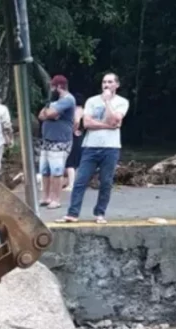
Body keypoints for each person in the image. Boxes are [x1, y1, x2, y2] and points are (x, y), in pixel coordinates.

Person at [58, 73, 130, 223]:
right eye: (104, 82)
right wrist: (108, 125)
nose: (106, 85)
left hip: (111, 147)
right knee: (80, 180)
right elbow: (88, 123)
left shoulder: (122, 102)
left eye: (110, 82)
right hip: (90, 146)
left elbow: (116, 119)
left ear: (117, 85)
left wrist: (108, 102)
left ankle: (100, 213)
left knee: (106, 182)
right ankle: (73, 213)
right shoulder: (91, 101)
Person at [36, 75, 75, 209]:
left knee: (56, 170)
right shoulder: (53, 101)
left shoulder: (68, 100)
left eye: (52, 86)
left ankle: (56, 199)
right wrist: (50, 113)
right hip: (47, 140)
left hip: (60, 141)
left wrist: (50, 114)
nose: (50, 89)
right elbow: (41, 115)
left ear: (59, 87)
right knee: (44, 170)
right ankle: (46, 197)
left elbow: (51, 114)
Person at [63, 103, 85, 190]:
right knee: (76, 161)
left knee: (70, 161)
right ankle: (73, 183)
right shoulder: (84, 110)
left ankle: (71, 184)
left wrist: (73, 130)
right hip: (81, 135)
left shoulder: (77, 110)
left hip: (74, 136)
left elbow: (76, 121)